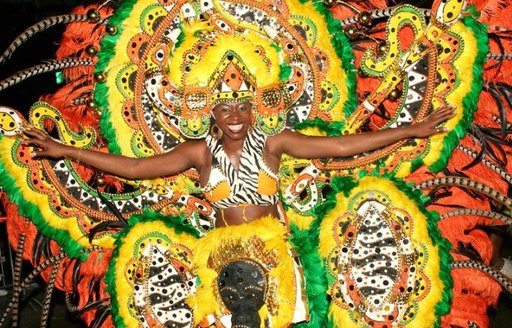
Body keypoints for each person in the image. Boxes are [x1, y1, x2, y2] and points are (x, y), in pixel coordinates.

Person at [22, 102, 454, 228]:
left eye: (242, 106)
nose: (233, 115)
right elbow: (136, 169)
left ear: (253, 111)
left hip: (275, 246)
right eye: (225, 107)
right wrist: (68, 151)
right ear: (212, 112)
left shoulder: (274, 143)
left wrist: (409, 131)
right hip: (218, 247)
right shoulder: (198, 151)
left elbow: (340, 146)